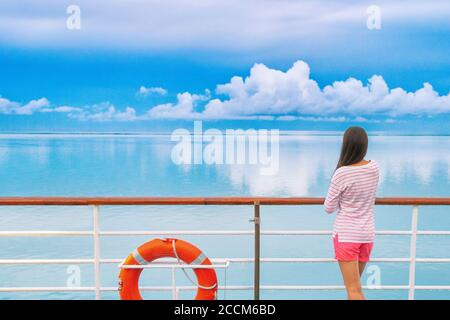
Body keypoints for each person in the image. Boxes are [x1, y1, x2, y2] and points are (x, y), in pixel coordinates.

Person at [324, 127, 379, 300]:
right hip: (366, 235)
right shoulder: (374, 167)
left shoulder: (342, 173)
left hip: (347, 235)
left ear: (345, 145)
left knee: (354, 291)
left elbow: (329, 207)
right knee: (354, 289)